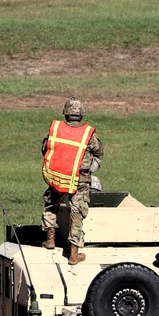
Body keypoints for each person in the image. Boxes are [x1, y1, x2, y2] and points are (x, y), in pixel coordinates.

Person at [41, 98, 102, 266]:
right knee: (77, 213)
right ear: (81, 114)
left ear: (65, 113)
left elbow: (45, 148)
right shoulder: (88, 134)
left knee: (51, 204)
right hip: (80, 179)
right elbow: (99, 151)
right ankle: (74, 254)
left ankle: (50, 240)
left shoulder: (56, 129)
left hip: (59, 176)